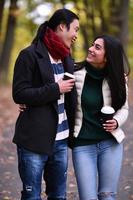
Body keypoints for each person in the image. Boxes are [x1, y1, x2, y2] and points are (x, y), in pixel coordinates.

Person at [12, 8, 79, 200]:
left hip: (61, 140)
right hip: (34, 140)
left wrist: (113, 72)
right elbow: (19, 93)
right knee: (32, 196)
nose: (75, 35)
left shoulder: (66, 57)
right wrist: (55, 89)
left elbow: (84, 71)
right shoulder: (29, 55)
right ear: (61, 27)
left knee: (58, 195)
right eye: (75, 29)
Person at [71, 35, 130, 200]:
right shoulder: (75, 74)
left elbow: (124, 109)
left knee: (107, 195)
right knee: (88, 197)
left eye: (97, 47)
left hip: (110, 144)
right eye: (92, 45)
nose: (90, 48)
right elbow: (55, 91)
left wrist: (116, 121)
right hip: (82, 145)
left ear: (108, 56)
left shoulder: (118, 80)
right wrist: (28, 101)